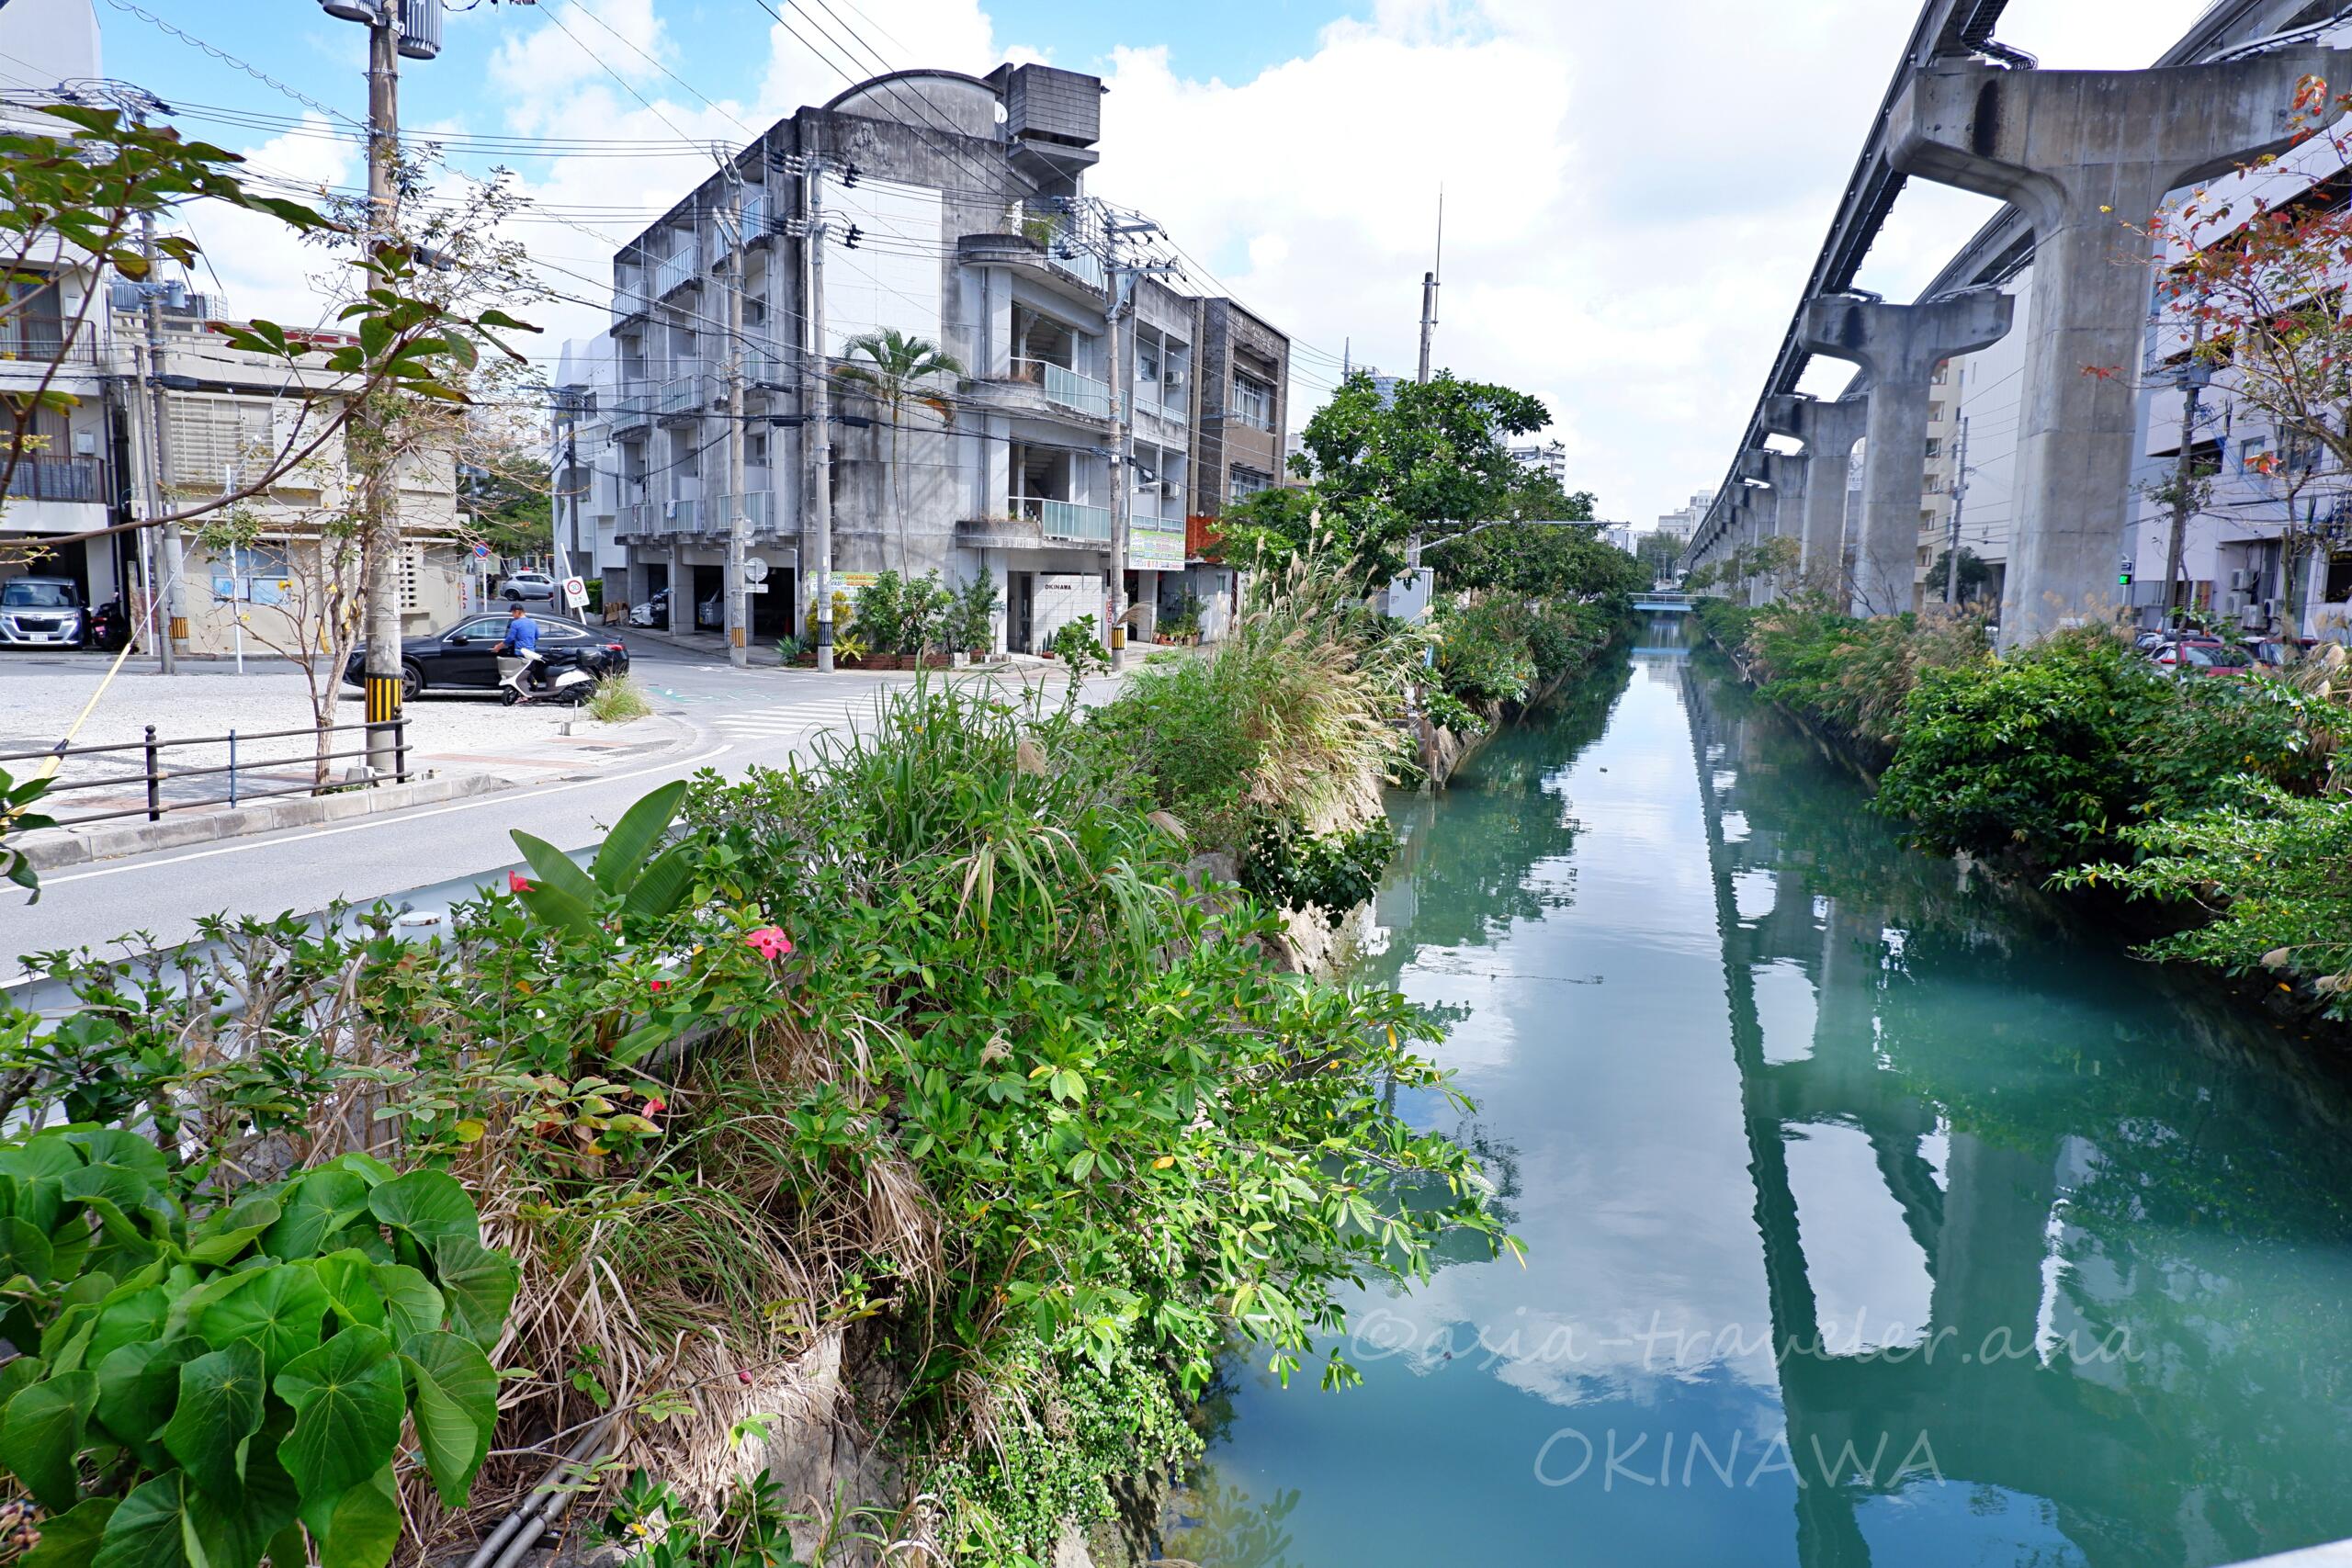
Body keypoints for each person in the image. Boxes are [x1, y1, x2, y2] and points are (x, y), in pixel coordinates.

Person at [495, 602, 542, 693]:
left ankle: (525, 694)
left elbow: (510, 638)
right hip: (531, 653)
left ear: (517, 611)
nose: (512, 615)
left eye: (512, 612)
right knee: (529, 673)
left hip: (520, 652)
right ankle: (535, 691)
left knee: (520, 675)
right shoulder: (533, 622)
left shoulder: (515, 623)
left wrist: (498, 646)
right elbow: (537, 636)